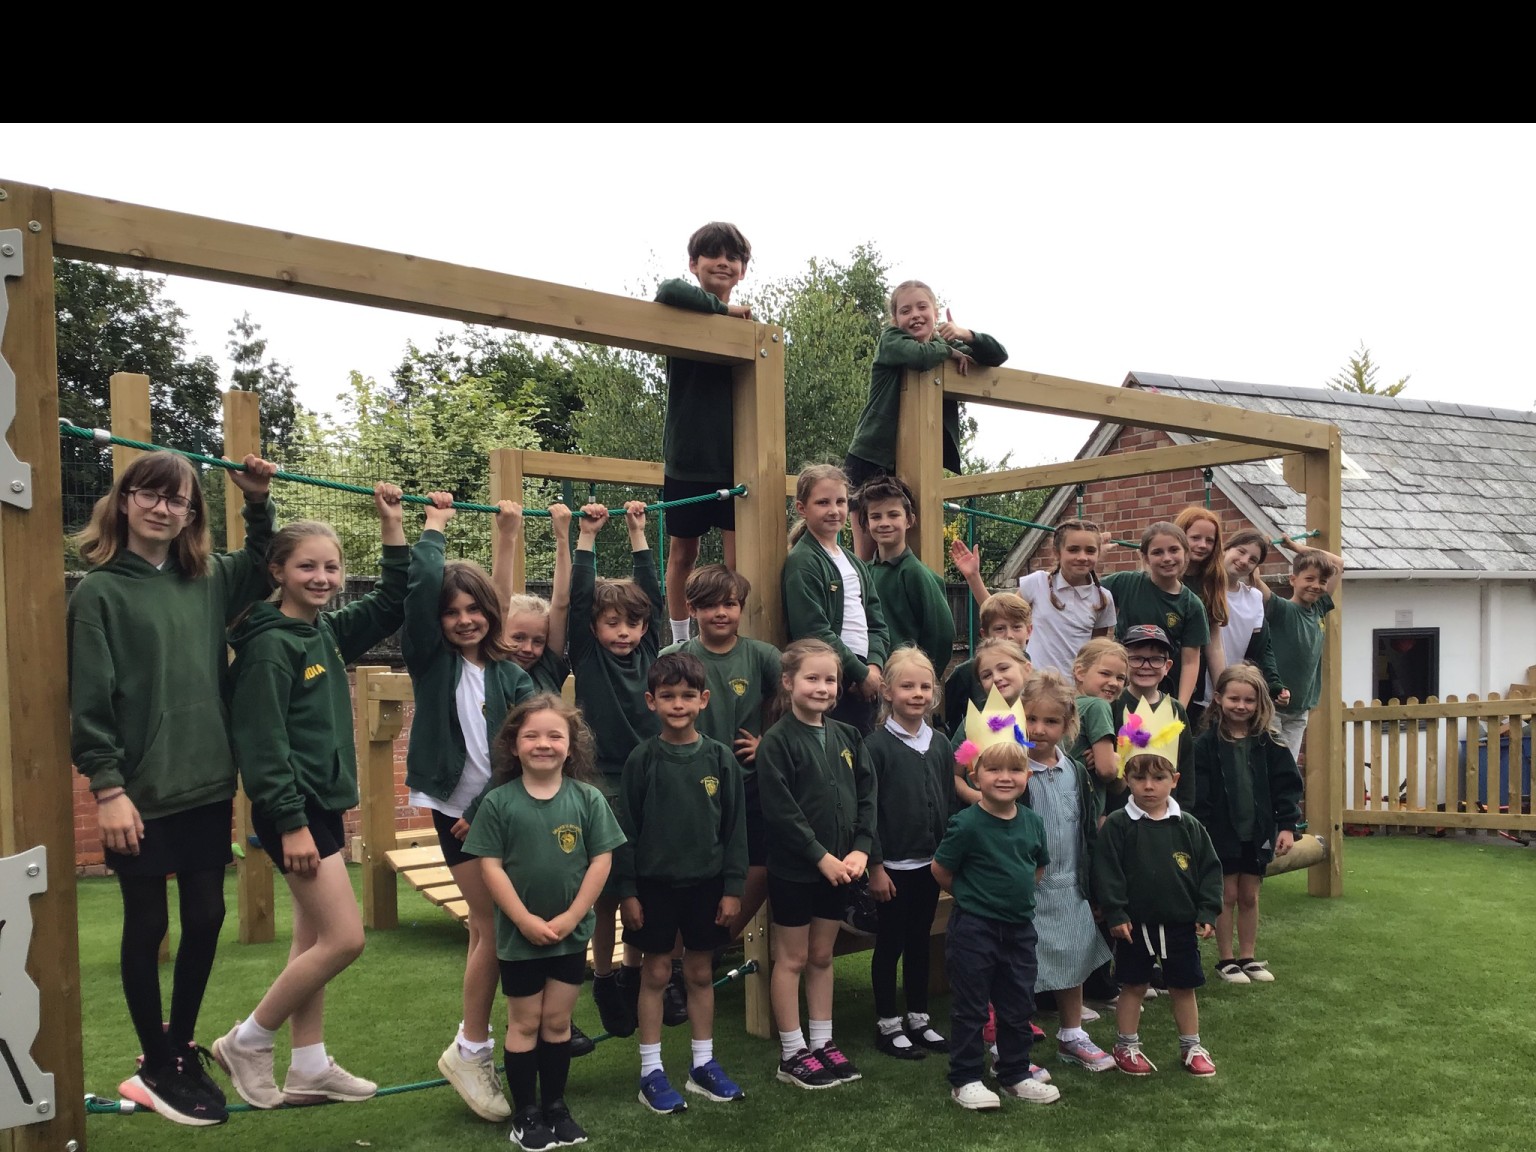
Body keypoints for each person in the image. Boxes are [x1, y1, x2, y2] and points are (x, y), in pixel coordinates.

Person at [68, 448, 277, 1126]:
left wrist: (257, 499)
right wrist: (107, 790)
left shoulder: (208, 579)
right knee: (148, 923)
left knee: (207, 916)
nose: (163, 508)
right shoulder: (99, 592)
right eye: (150, 494)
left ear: (191, 514)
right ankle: (154, 1061)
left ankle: (178, 1049)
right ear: (125, 501)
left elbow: (265, 561)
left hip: (207, 781)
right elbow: (89, 702)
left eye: (177, 499)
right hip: (138, 793)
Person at [215, 484, 409, 1110]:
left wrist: (392, 525)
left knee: (311, 942)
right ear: (277, 572)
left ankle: (308, 1066)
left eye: (331, 567)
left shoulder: (323, 633)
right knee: (344, 940)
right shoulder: (270, 647)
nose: (322, 578)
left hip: (320, 805)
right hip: (292, 812)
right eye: (307, 566)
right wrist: (291, 822)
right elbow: (263, 747)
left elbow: (392, 602)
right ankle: (247, 1040)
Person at [402, 493, 538, 1122]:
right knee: (488, 925)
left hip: (499, 807)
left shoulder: (510, 673)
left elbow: (518, 748)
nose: (464, 620)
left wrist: (508, 535)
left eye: (473, 609)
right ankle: (471, 1046)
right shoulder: (431, 661)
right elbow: (419, 592)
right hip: (454, 809)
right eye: (451, 612)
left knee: (507, 925)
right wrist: (432, 527)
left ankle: (513, 1033)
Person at [462, 694, 626, 1151]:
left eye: (555, 735)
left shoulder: (588, 799)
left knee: (557, 1022)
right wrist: (524, 919)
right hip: (520, 938)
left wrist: (574, 916)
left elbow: (601, 860)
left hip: (569, 937)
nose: (543, 744)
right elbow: (490, 867)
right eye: (531, 735)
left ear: (571, 746)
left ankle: (555, 1107)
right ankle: (526, 1114)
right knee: (525, 1023)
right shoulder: (498, 803)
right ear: (513, 744)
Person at [614, 652, 748, 1114]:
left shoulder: (720, 758)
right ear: (651, 701)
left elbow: (735, 829)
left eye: (687, 695)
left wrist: (733, 889)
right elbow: (625, 832)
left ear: (703, 700)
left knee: (699, 972)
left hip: (707, 886)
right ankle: (651, 1071)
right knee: (655, 973)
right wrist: (627, 892)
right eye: (667, 696)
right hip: (653, 888)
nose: (678, 704)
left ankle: (702, 1064)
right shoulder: (642, 760)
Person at [756, 639, 876, 1089]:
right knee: (793, 958)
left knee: (822, 956)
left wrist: (861, 848)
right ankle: (792, 1052)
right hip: (796, 871)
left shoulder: (848, 736)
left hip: (841, 869)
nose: (822, 687)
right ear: (789, 682)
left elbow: (868, 795)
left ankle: (823, 1041)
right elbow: (781, 811)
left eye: (830, 680)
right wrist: (819, 856)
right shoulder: (777, 742)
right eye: (812, 678)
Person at [567, 500, 666, 1037]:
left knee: (641, 886)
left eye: (633, 623)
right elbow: (581, 597)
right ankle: (603, 978)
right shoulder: (587, 654)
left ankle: (633, 973)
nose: (624, 632)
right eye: (612, 623)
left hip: (645, 779)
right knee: (606, 893)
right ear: (594, 626)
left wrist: (638, 532)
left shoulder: (651, 653)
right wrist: (586, 536)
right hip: (600, 779)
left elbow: (652, 593)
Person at [935, 704, 1059, 1110]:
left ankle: (1015, 1072)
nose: (1005, 777)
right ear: (975, 775)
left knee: (1018, 1005)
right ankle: (966, 1078)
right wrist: (974, 897)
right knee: (971, 1006)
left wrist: (1012, 896)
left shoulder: (1032, 822)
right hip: (975, 929)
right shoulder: (967, 824)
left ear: (1027, 776)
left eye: (1015, 770)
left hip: (1019, 929)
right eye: (994, 770)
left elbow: (1037, 867)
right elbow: (941, 869)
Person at [659, 563, 780, 940]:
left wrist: (769, 745)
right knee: (693, 867)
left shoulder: (762, 656)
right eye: (710, 605)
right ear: (691, 609)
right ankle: (683, 949)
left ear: (741, 607)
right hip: (690, 781)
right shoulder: (676, 656)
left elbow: (799, 706)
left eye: (730, 604)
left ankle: (716, 943)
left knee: (762, 863)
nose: (721, 613)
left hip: (747, 780)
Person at [845, 280, 1007, 559]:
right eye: (905, 311)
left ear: (935, 312)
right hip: (871, 456)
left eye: (922, 307)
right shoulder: (891, 340)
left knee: (907, 542)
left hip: (914, 457)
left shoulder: (942, 344)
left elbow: (998, 355)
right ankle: (862, 584)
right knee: (867, 552)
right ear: (895, 319)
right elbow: (918, 356)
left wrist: (965, 335)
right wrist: (949, 350)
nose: (915, 315)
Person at [1092, 736, 1222, 1078]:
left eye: (1159, 778)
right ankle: (1126, 1045)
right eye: (1139, 777)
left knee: (1182, 986)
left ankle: (1191, 1046)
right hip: (1134, 926)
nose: (1148, 786)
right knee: (1133, 985)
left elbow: (1210, 870)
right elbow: (1107, 871)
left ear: (1174, 780)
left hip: (1180, 924)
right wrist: (1116, 912)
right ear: (1126, 778)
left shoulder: (1188, 826)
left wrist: (1207, 910)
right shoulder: (1119, 824)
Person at [654, 221, 754, 643]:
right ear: (694, 264)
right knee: (683, 552)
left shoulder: (748, 328)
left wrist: (734, 317)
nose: (723, 263)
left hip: (735, 460)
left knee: (740, 559)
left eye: (733, 258)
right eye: (713, 255)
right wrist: (724, 311)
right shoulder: (683, 312)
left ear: (742, 271)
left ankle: (739, 638)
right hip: (689, 456)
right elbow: (668, 290)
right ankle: (680, 638)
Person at [1012, 671, 1115, 1075]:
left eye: (1051, 721)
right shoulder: (1012, 770)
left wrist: (1095, 889)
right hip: (1027, 890)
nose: (1039, 729)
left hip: (1070, 884)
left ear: (1068, 724)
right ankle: (1012, 1044)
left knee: (1073, 958)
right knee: (1022, 969)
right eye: (1031, 718)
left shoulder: (1075, 771)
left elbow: (1087, 831)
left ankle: (1072, 1035)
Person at [863, 647, 952, 1061]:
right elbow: (868, 810)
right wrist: (876, 866)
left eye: (925, 687)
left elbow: (948, 801)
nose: (917, 694)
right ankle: (887, 1023)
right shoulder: (876, 746)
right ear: (887, 691)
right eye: (907, 686)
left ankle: (918, 1016)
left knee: (920, 941)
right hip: (892, 868)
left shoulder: (941, 744)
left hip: (929, 867)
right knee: (891, 943)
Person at [1192, 664, 1304, 985]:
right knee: (1226, 895)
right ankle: (1227, 960)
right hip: (1220, 834)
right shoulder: (1204, 745)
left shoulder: (1270, 743)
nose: (1241, 706)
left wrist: (1287, 826)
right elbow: (1198, 795)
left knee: (1250, 896)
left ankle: (1248, 957)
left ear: (1259, 703)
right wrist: (1201, 835)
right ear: (1218, 698)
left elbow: (1287, 786)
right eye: (1234, 699)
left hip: (1258, 833)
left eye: (1249, 700)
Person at [782, 464, 890, 734]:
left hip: (864, 675)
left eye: (840, 502)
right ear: (802, 508)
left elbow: (877, 623)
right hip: (831, 678)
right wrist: (860, 674)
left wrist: (874, 667)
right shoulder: (803, 561)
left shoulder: (855, 562)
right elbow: (813, 630)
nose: (834, 510)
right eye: (823, 502)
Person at [1101, 522, 1210, 709]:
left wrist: (1180, 707)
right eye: (1158, 552)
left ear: (1186, 553)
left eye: (1174, 550)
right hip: (1122, 687)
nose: (1167, 558)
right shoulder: (1125, 583)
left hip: (1162, 691)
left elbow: (1191, 662)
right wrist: (1096, 556)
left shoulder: (1192, 605)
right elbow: (1086, 590)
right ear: (1145, 557)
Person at [856, 474, 955, 678]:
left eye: (893, 515)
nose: (884, 523)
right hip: (870, 680)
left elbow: (941, 636)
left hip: (906, 683)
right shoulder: (863, 573)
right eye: (876, 516)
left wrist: (923, 680)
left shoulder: (916, 574)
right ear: (866, 524)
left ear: (909, 520)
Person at [1259, 544, 1343, 764]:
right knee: (1272, 765)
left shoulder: (1319, 608)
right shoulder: (1281, 608)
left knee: (1289, 768)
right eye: (1309, 579)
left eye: (1322, 581)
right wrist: (1262, 546)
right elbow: (1256, 582)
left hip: (1299, 709)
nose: (1316, 586)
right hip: (1273, 706)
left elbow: (1338, 563)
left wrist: (1294, 547)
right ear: (1293, 580)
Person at [1203, 528, 1287, 722]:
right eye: (1241, 551)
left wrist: (1275, 684)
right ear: (1226, 549)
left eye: (1252, 559)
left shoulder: (1254, 597)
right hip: (1200, 693)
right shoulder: (1203, 589)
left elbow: (1261, 650)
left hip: (1235, 698)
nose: (1244, 561)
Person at [1017, 519, 1117, 680]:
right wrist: (974, 577)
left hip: (1074, 689)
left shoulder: (1103, 598)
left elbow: (1095, 653)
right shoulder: (1037, 582)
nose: (1082, 557)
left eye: (1090, 551)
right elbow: (1001, 614)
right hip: (1033, 685)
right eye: (1073, 550)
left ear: (1099, 553)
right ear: (1057, 552)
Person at [1109, 625, 1195, 811]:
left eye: (1156, 659)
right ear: (1124, 663)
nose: (1146, 666)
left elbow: (1186, 765)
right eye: (1136, 659)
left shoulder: (1176, 710)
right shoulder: (1112, 705)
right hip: (1120, 813)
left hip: (1165, 814)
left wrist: (1184, 812)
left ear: (1167, 666)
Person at [495, 502, 573, 695]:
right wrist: (507, 535)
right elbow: (500, 601)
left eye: (538, 641)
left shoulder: (547, 670)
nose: (528, 649)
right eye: (518, 637)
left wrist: (563, 537)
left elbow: (561, 604)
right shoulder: (493, 666)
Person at [950, 637, 1032, 807]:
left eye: (1004, 668)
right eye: (987, 675)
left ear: (1027, 669)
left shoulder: (1038, 719)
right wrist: (974, 796)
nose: (996, 677)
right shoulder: (975, 725)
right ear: (981, 685)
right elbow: (955, 774)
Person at [942, 593, 1034, 737]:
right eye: (1000, 629)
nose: (1009, 635)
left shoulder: (1036, 675)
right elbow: (946, 714)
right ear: (984, 634)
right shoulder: (965, 673)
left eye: (1016, 627)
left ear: (1028, 631)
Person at [1172, 507, 1231, 729]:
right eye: (1195, 538)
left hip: (1192, 678)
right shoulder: (1163, 575)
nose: (1202, 545)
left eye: (1209, 540)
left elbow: (1214, 645)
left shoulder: (1212, 582)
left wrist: (1223, 689)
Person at [1069, 637, 1132, 821]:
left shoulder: (1064, 705)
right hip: (1087, 814)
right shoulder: (1098, 706)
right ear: (1080, 672)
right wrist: (1116, 759)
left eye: (1120, 678)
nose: (1114, 682)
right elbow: (1107, 771)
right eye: (1105, 673)